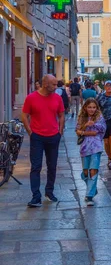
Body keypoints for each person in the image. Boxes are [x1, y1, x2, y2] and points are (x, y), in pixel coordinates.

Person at [21, 74, 65, 207]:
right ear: (45, 84)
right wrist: (30, 132)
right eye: (54, 84)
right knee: (36, 167)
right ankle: (36, 196)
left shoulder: (57, 98)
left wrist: (60, 131)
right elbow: (24, 116)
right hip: (37, 137)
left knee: (52, 166)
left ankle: (49, 192)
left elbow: (61, 115)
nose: (56, 87)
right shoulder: (31, 98)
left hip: (53, 136)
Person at [76, 99, 107, 206]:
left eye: (94, 107)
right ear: (85, 107)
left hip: (96, 147)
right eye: (89, 107)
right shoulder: (81, 117)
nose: (92, 109)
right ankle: (93, 189)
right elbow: (77, 130)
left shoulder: (99, 117)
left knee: (93, 170)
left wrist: (93, 125)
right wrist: (85, 128)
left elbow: (100, 130)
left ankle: (89, 195)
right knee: (85, 172)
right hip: (85, 148)